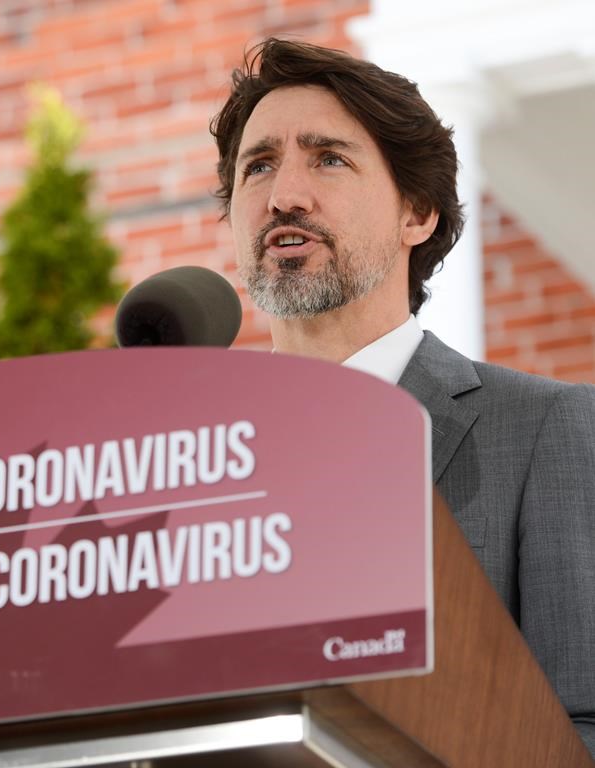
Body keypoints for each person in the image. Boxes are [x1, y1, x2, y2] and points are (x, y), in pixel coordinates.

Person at [210, 37, 595, 755]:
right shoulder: (195, 465)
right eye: (257, 165)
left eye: (328, 157)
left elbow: (585, 726)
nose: (284, 194)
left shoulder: (545, 429)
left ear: (415, 214)